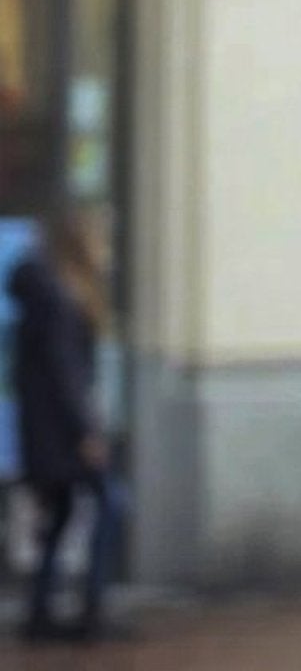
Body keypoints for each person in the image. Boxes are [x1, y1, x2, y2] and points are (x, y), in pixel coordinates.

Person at [7, 206, 128, 643]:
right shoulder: (59, 299)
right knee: (111, 503)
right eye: (102, 240)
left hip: (47, 431)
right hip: (62, 434)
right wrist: (86, 434)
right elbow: (66, 375)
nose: (108, 251)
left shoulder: (50, 294)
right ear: (84, 244)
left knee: (60, 516)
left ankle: (41, 613)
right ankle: (92, 611)